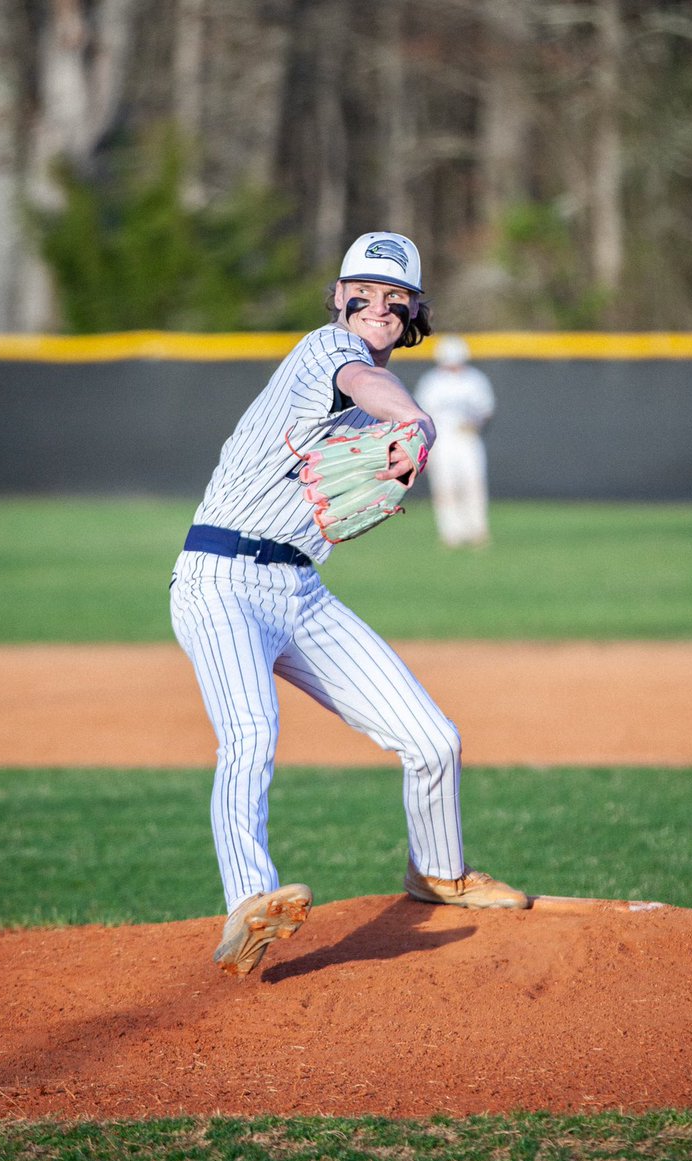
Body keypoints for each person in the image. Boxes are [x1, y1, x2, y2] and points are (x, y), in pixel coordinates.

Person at [169, 232, 527, 978]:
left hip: (298, 588)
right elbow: (373, 389)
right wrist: (417, 423)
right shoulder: (323, 351)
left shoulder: (382, 398)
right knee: (250, 734)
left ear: (414, 314)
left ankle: (439, 871)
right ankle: (248, 906)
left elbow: (366, 439)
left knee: (434, 739)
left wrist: (407, 436)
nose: (376, 307)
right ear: (338, 297)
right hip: (219, 578)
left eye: (395, 299)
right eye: (361, 292)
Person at [414, 335, 496, 547]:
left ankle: (477, 530)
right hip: (441, 440)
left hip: (467, 437)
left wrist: (475, 423)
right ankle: (451, 533)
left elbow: (486, 410)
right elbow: (421, 416)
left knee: (473, 483)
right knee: (445, 487)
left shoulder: (474, 379)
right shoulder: (431, 381)